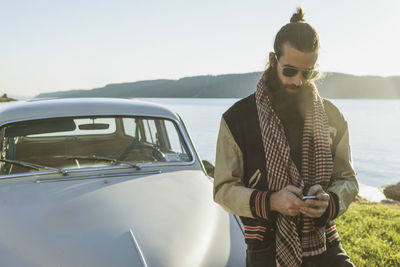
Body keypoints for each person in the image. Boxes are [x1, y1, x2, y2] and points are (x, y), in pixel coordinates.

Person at [213, 7, 358, 267]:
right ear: (272, 60)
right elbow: (223, 190)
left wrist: (330, 201)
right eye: (290, 70)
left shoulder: (332, 116)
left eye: (309, 73)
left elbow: (347, 179)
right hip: (266, 246)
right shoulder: (237, 119)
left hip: (322, 240)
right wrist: (271, 201)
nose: (299, 81)